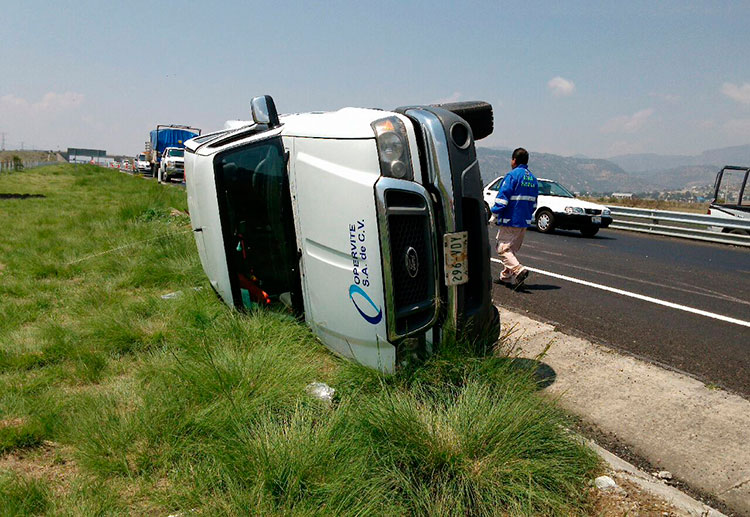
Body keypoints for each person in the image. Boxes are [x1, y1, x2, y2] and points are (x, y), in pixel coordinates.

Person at [490, 147, 538, 287]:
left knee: (503, 249)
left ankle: (518, 270)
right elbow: (534, 203)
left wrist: (494, 213)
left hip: (511, 219)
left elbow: (503, 198)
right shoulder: (533, 179)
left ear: (514, 160)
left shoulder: (512, 176)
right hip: (524, 221)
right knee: (511, 249)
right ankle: (505, 277)